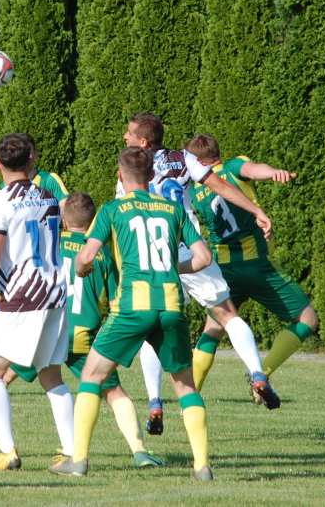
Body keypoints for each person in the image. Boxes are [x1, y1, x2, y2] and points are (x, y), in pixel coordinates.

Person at [0, 193, 162, 469]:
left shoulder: (51, 244)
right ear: (93, 221)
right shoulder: (100, 255)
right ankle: (139, 452)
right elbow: (113, 303)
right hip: (83, 336)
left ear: (63, 219)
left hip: (43, 324)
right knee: (113, 392)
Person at [49, 147, 214, 481]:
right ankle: (202, 465)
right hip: (170, 305)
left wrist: (81, 270)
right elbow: (203, 258)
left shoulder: (112, 210)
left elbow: (86, 256)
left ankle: (78, 460)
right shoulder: (172, 210)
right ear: (152, 176)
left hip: (131, 308)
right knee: (185, 386)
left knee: (92, 377)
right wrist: (172, 267)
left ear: (120, 176)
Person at [119, 113, 278, 429]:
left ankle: (154, 403)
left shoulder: (131, 167)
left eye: (130, 133)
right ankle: (257, 373)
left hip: (153, 254)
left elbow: (121, 215)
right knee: (227, 314)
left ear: (144, 142)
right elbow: (219, 185)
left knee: (154, 330)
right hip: (190, 247)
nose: (125, 137)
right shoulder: (183, 159)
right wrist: (256, 209)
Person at [0, 133, 73, 471]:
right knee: (51, 373)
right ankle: (72, 451)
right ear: (32, 161)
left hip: (23, 298)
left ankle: (7, 451)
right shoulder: (51, 198)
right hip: (55, 292)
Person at [183, 134, 318, 402]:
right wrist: (274, 173)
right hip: (256, 265)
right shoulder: (232, 167)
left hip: (223, 269)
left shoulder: (194, 187)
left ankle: (190, 395)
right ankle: (262, 373)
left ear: (196, 161)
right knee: (307, 319)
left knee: (214, 328)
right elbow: (254, 170)